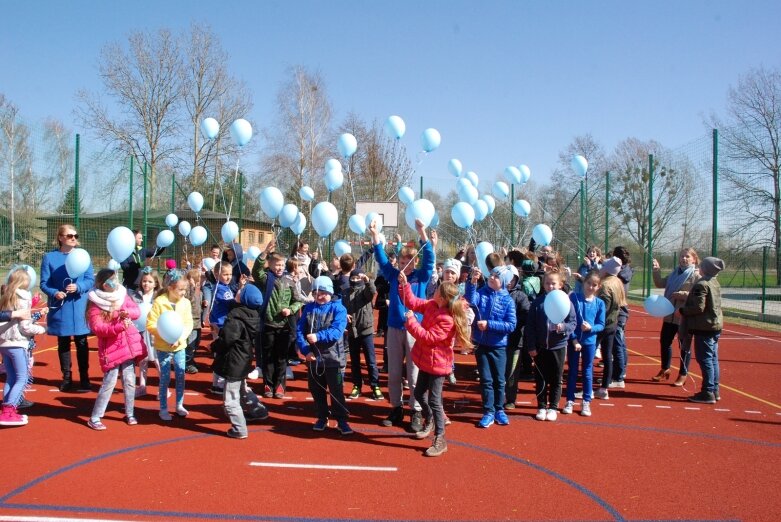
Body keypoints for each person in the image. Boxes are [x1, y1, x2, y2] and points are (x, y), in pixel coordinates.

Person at [370, 218, 435, 432]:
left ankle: (416, 410)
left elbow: (430, 257)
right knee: (395, 372)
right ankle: (397, 408)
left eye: (410, 258)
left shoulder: (421, 276)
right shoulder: (393, 275)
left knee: (414, 372)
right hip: (394, 328)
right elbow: (380, 258)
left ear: (414, 260)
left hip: (415, 330)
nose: (407, 261)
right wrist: (374, 236)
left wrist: (422, 231)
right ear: (398, 260)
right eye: (402, 257)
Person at [399, 270, 472, 456]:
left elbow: (428, 337)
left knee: (434, 400)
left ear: (443, 297)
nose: (434, 291)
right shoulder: (432, 305)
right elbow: (413, 302)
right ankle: (429, 419)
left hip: (439, 365)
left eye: (437, 290)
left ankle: (440, 438)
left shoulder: (448, 320)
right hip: (426, 361)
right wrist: (404, 284)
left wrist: (411, 322)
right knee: (418, 393)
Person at [85, 269, 147, 430]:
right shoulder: (96, 303)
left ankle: (130, 412)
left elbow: (136, 310)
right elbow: (98, 327)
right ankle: (95, 416)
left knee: (129, 381)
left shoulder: (122, 295)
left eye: (115, 278)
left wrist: (127, 312)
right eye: (111, 280)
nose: (115, 282)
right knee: (109, 382)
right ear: (103, 284)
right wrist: (118, 326)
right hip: (111, 349)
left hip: (128, 347)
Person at [40, 224, 95, 392]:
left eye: (76, 236)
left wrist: (78, 287)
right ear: (60, 238)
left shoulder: (83, 256)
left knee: (82, 341)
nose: (73, 238)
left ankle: (84, 378)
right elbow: (44, 283)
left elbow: (90, 280)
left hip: (79, 306)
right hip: (61, 306)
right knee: (63, 342)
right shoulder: (49, 258)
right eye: (70, 235)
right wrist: (55, 292)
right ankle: (67, 377)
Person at [211, 284, 270, 439]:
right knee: (242, 388)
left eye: (241, 291)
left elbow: (227, 339)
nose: (238, 291)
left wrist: (215, 345)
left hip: (234, 361)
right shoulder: (251, 314)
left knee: (230, 398)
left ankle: (239, 428)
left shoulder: (236, 317)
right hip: (244, 359)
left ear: (244, 299)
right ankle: (259, 411)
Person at [296, 276, 352, 435]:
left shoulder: (339, 309)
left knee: (337, 391)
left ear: (330, 292)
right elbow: (299, 330)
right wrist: (306, 351)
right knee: (316, 389)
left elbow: (337, 331)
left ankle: (341, 420)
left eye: (323, 293)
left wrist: (318, 336)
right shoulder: (308, 308)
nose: (319, 296)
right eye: (316, 293)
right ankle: (322, 416)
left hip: (334, 359)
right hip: (314, 358)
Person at [464, 264, 517, 428]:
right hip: (482, 345)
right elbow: (471, 300)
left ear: (504, 282)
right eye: (491, 275)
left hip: (499, 346)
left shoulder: (508, 300)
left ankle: (499, 409)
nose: (491, 277)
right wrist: (472, 282)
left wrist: (489, 325)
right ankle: (488, 411)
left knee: (499, 380)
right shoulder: (482, 293)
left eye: (496, 276)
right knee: (486, 380)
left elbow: (510, 325)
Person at [525, 271, 577, 422]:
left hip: (558, 346)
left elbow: (573, 323)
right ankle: (541, 406)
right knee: (540, 377)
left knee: (556, 378)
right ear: (543, 284)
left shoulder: (567, 303)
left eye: (553, 283)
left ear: (560, 285)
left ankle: (553, 407)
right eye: (547, 283)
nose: (550, 286)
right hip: (541, 347)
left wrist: (563, 327)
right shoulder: (537, 303)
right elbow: (530, 326)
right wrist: (531, 346)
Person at [253, 252, 303, 398]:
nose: (280, 267)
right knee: (268, 356)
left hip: (284, 326)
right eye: (277, 265)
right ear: (271, 265)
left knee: (281, 357)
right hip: (268, 324)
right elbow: (256, 270)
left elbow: (298, 300)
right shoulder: (266, 279)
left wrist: (291, 309)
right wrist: (263, 254)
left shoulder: (289, 282)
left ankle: (280, 385)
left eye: (282, 265)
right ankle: (268, 385)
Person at [146, 269, 194, 421]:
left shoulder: (185, 303)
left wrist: (180, 338)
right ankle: (163, 408)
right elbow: (151, 323)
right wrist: (165, 336)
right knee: (165, 378)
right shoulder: (160, 302)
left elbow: (188, 323)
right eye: (180, 289)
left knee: (180, 375)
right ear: (170, 288)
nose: (183, 293)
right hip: (163, 346)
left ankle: (179, 405)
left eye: (185, 290)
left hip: (180, 346)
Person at [0, 268, 46, 426]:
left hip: (4, 343)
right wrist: (41, 329)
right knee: (23, 377)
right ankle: (9, 411)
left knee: (11, 377)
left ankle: (7, 407)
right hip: (18, 343)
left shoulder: (6, 295)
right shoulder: (23, 297)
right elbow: (25, 327)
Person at [651, 248, 700, 386]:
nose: (684, 259)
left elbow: (698, 296)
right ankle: (665, 369)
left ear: (694, 259)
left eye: (687, 257)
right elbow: (660, 283)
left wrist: (682, 294)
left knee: (684, 345)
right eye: (682, 256)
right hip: (669, 313)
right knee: (665, 342)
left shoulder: (696, 276)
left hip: (683, 315)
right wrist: (656, 270)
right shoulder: (674, 273)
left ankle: (683, 374)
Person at [681, 257, 725, 404]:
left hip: (704, 326)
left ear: (705, 268)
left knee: (705, 359)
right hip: (715, 324)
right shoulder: (715, 282)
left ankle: (707, 391)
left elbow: (699, 307)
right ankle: (714, 389)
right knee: (713, 358)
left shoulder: (702, 284)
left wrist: (683, 310)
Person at [563, 271, 605, 416]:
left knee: (587, 372)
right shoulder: (574, 298)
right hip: (574, 342)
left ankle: (586, 401)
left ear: (598, 287)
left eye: (594, 285)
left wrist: (591, 328)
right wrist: (573, 339)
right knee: (573, 371)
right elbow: (569, 321)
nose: (591, 287)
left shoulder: (600, 303)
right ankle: (569, 400)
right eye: (589, 284)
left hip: (589, 343)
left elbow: (601, 324)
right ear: (584, 283)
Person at [343, 269, 382, 401]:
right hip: (352, 332)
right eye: (352, 278)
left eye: (357, 278)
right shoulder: (345, 293)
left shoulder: (365, 291)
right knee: (354, 361)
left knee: (371, 361)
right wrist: (344, 315)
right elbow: (341, 307)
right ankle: (357, 385)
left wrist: (367, 280)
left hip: (366, 330)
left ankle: (375, 385)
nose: (355, 281)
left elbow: (372, 291)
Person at [594, 257, 626, 400]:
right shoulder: (617, 282)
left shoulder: (606, 285)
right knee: (607, 356)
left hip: (602, 325)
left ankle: (588, 388)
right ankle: (604, 388)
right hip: (612, 323)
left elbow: (602, 308)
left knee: (589, 355)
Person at [504, 265, 531, 409]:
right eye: (506, 278)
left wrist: (510, 321)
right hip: (498, 342)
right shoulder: (497, 293)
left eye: (511, 278)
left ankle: (510, 399)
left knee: (512, 372)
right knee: (499, 371)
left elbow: (526, 314)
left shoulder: (520, 296)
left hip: (515, 342)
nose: (508, 281)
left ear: (516, 279)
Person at [130, 267, 159, 397]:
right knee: (143, 360)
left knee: (158, 360)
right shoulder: (136, 296)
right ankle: (142, 385)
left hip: (155, 333)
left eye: (150, 281)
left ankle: (164, 387)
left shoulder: (159, 297)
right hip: (141, 331)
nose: (146, 284)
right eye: (144, 281)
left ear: (156, 283)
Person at [610, 246, 634, 388]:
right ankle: (621, 371)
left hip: (618, 311)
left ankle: (618, 377)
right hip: (622, 311)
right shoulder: (626, 270)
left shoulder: (618, 275)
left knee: (617, 343)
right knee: (620, 342)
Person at [184, 268, 203, 374]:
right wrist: (191, 287)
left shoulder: (199, 290)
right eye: (198, 278)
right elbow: (188, 300)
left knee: (196, 343)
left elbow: (198, 303)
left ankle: (190, 359)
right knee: (190, 344)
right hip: (191, 321)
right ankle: (187, 363)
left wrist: (203, 303)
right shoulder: (188, 290)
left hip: (198, 321)